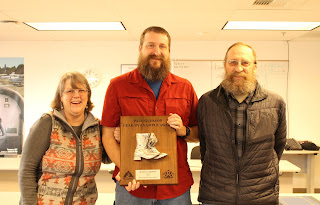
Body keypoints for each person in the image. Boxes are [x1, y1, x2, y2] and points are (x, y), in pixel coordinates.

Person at [101, 26, 199, 204]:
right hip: (132, 187)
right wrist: (127, 169)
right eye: (150, 45)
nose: (156, 52)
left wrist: (184, 131)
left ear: (169, 51)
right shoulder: (118, 86)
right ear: (140, 49)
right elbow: (107, 135)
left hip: (175, 188)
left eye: (162, 46)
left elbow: (198, 133)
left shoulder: (185, 88)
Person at [197, 42, 287, 205]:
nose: (238, 68)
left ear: (254, 67)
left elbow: (277, 146)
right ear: (225, 66)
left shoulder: (276, 103)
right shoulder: (207, 102)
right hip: (216, 196)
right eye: (233, 62)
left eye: (245, 62)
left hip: (261, 196)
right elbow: (205, 144)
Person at [19, 71, 106, 205]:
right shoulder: (47, 123)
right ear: (60, 97)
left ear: (88, 95)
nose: (76, 95)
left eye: (81, 90)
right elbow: (26, 170)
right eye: (70, 91)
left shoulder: (97, 127)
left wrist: (117, 136)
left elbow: (107, 157)